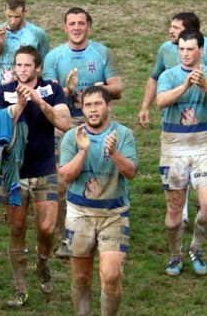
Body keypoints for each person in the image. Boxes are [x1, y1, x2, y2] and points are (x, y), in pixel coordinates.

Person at [0, 45, 71, 307]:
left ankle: (42, 263)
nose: (22, 70)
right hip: (14, 172)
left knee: (47, 229)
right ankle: (19, 288)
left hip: (45, 168)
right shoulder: (3, 92)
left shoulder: (52, 89)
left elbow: (64, 123)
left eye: (27, 65)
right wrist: (19, 107)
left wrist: (38, 100)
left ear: (38, 68)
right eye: (18, 65)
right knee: (16, 228)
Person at [42, 7, 122, 258]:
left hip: (98, 126)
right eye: (71, 23)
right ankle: (68, 236)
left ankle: (102, 230)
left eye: (81, 23)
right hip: (64, 127)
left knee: (99, 177)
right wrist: (66, 90)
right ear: (64, 27)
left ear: (89, 26)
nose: (76, 28)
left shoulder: (102, 53)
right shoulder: (54, 57)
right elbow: (49, 97)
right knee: (63, 182)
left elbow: (118, 86)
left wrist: (102, 88)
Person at [59, 86, 137, 316]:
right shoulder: (71, 137)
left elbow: (131, 172)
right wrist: (83, 151)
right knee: (81, 276)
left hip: (114, 214)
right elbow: (64, 177)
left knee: (111, 276)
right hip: (79, 214)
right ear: (82, 108)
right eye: (88, 105)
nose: (92, 110)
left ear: (108, 106)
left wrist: (113, 153)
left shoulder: (123, 135)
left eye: (97, 104)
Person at [156, 30, 207, 277]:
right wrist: (186, 85)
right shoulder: (169, 75)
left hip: (203, 145)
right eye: (182, 49)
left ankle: (196, 248)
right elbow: (161, 101)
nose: (185, 54)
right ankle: (175, 255)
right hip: (174, 148)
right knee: (174, 212)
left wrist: (205, 86)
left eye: (190, 49)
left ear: (201, 50)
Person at [0, 0, 49, 89]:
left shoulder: (37, 34)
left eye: (17, 17)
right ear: (4, 11)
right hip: (0, 90)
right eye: (9, 16)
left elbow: (45, 70)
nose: (12, 21)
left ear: (25, 12)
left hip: (27, 89)